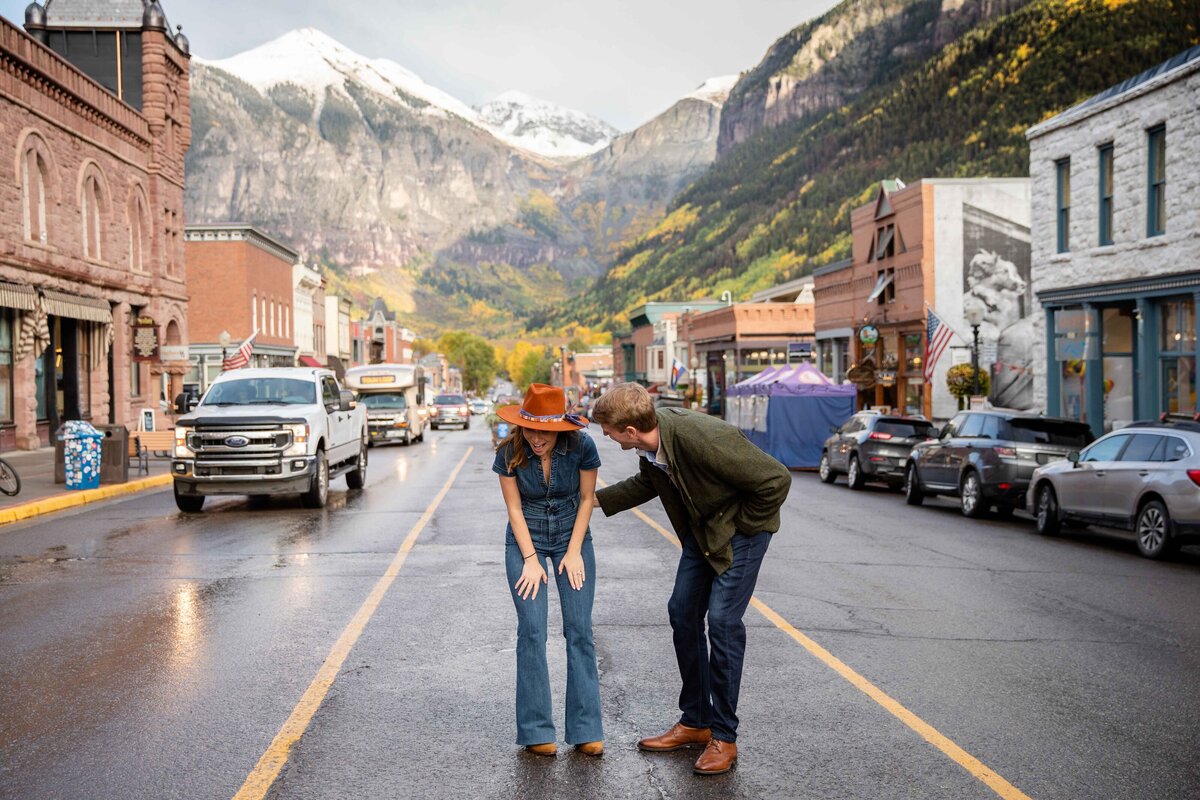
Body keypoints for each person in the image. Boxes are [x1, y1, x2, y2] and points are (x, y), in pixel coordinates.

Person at [591, 382, 791, 775]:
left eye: (609, 430)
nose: (606, 436)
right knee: (682, 613)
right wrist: (591, 499)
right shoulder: (652, 446)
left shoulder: (703, 437)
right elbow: (648, 483)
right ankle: (696, 721)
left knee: (722, 622)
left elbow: (775, 480)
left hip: (740, 535)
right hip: (703, 536)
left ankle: (724, 737)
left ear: (630, 432)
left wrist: (740, 527)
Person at [493, 383, 604, 757]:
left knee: (579, 631)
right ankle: (537, 729)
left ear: (560, 428)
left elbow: (588, 498)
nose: (537, 438)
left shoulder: (582, 446)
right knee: (532, 630)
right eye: (531, 428)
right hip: (528, 539)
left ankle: (586, 728)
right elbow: (514, 509)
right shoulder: (509, 451)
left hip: (573, 536)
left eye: (546, 431)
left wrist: (573, 552)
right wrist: (530, 559)